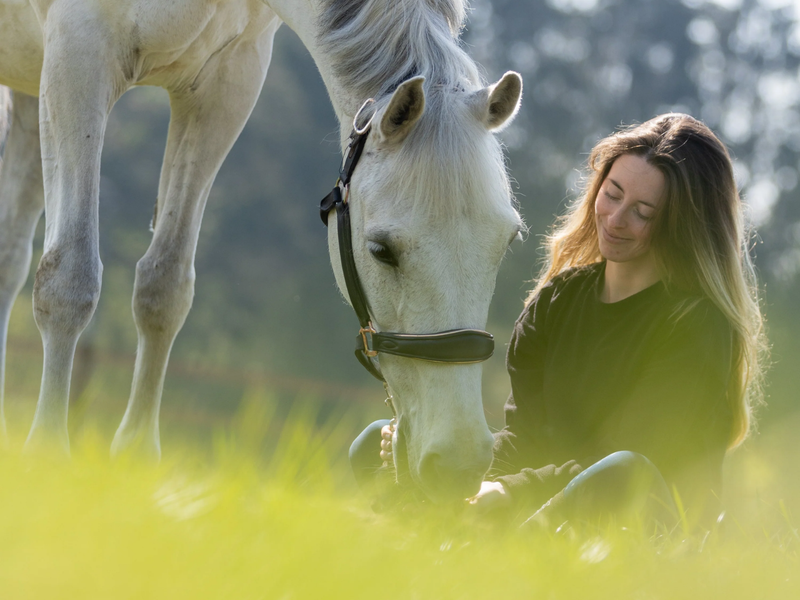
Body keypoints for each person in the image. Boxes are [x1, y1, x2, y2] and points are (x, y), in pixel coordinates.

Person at [351, 113, 768, 531]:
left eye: (643, 212)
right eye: (613, 194)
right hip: (544, 497)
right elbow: (525, 437)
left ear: (682, 227)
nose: (616, 219)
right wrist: (465, 475)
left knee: (621, 470)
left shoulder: (696, 324)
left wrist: (511, 492)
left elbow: (635, 460)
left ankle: (464, 541)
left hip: (640, 517)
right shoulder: (558, 299)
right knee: (379, 442)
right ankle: (420, 545)